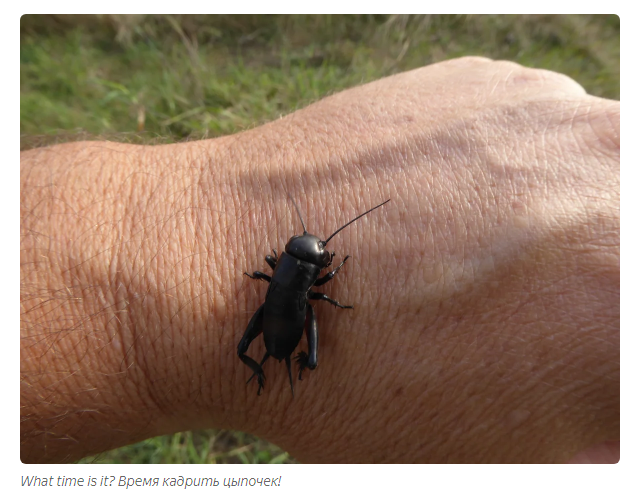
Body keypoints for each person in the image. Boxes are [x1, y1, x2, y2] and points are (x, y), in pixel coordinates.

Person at [20, 57, 619, 463]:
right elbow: (318, 291)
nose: (309, 261)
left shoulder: (295, 274)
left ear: (293, 264)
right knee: (298, 326)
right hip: (288, 315)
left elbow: (298, 286)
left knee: (273, 335)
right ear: (298, 263)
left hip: (283, 314)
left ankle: (268, 370)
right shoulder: (311, 276)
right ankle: (281, 372)